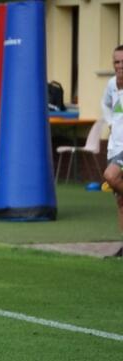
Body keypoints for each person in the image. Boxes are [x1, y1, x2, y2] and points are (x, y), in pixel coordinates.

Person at [102, 44, 123, 233]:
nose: (120, 66)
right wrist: (110, 122)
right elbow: (105, 104)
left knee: (110, 176)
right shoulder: (111, 84)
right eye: (117, 62)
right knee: (120, 201)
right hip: (114, 146)